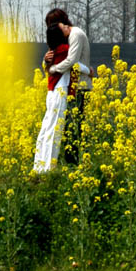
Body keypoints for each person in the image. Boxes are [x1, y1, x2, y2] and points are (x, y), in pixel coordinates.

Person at [33, 25, 90, 173]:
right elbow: (73, 63)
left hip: (51, 93)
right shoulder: (64, 49)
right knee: (54, 132)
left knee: (46, 129)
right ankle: (48, 169)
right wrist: (89, 71)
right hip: (60, 92)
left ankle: (38, 165)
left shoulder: (51, 52)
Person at [43, 9, 92, 164]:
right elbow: (51, 62)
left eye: (53, 25)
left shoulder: (75, 35)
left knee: (73, 128)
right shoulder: (62, 41)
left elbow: (71, 61)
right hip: (66, 87)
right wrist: (46, 60)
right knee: (63, 129)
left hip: (79, 87)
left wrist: (53, 69)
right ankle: (65, 165)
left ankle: (72, 165)